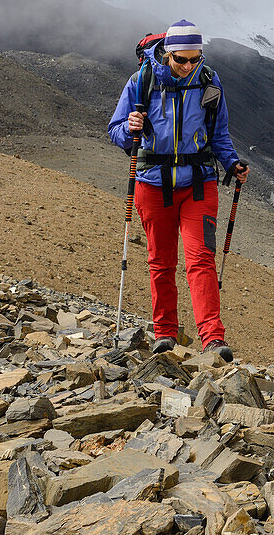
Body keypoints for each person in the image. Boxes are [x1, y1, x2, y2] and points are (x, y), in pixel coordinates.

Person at [108, 20, 248, 362]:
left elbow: (219, 133)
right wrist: (129, 128)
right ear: (168, 54)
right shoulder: (142, 82)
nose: (187, 67)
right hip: (152, 185)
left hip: (199, 183)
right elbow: (115, 131)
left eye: (194, 59)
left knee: (200, 259)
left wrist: (231, 164)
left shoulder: (208, 81)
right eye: (180, 60)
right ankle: (165, 334)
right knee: (161, 262)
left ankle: (213, 340)